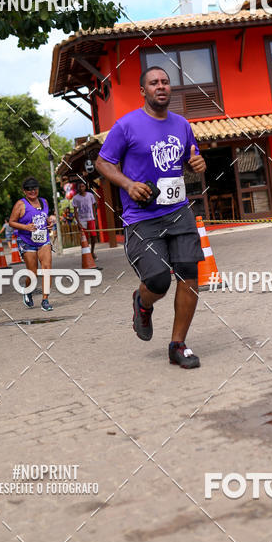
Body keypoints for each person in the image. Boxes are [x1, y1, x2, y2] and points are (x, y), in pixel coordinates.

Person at [96, 66, 207, 369]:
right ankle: (142, 303)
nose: (161, 86)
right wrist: (128, 184)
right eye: (154, 83)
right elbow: (102, 162)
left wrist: (197, 163)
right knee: (158, 280)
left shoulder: (182, 124)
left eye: (166, 82)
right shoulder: (126, 125)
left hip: (178, 211)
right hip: (142, 217)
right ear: (143, 91)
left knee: (189, 275)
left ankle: (178, 345)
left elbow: (190, 158)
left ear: (171, 89)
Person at [9, 177, 53, 311]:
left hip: (43, 239)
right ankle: (27, 290)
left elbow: (44, 218)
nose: (32, 191)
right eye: (29, 189)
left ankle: (45, 300)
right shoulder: (20, 204)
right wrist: (26, 227)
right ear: (24, 191)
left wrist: (49, 224)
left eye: (34, 188)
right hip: (27, 241)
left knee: (47, 268)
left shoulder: (44, 201)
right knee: (32, 273)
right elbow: (11, 222)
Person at [72, 181, 99, 261]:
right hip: (82, 220)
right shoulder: (76, 198)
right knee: (84, 239)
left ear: (85, 187)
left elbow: (94, 206)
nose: (81, 188)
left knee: (94, 236)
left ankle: (92, 252)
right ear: (77, 188)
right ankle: (86, 254)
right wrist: (78, 222)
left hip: (91, 218)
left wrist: (94, 217)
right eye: (79, 187)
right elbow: (75, 211)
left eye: (82, 186)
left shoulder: (90, 195)